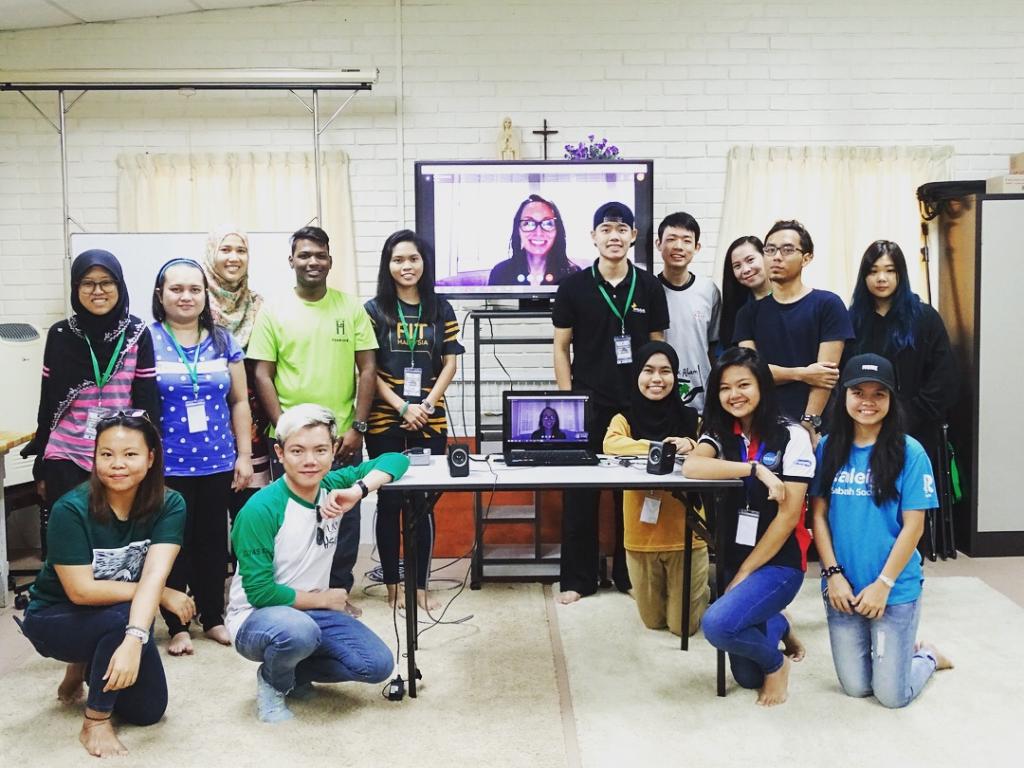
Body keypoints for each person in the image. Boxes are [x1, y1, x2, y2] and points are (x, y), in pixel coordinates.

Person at [17, 412, 191, 758]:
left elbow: (154, 574)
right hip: (55, 618)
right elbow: (81, 591)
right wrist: (160, 599)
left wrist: (136, 636)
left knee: (148, 711)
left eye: (130, 454)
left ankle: (84, 665)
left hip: (112, 614)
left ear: (151, 457)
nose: (117, 464)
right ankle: (95, 720)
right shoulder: (70, 508)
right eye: (106, 454)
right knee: (123, 617)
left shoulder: (170, 504)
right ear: (94, 457)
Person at [226, 404, 409, 723]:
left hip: (311, 614)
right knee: (299, 631)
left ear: (333, 450)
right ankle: (273, 681)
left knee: (376, 665)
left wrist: (358, 490)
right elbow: (259, 593)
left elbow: (397, 460)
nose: (310, 461)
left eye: (320, 450)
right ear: (280, 453)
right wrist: (324, 599)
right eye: (297, 450)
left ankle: (291, 671)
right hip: (256, 619)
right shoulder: (260, 510)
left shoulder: (332, 486)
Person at [811, 354, 953, 707]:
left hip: (893, 590)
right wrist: (832, 576)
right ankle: (899, 654)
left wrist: (883, 585)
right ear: (844, 396)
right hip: (843, 587)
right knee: (856, 687)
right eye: (858, 392)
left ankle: (928, 656)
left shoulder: (911, 452)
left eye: (879, 394)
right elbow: (818, 516)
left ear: (892, 400)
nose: (868, 403)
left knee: (892, 696)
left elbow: (914, 525)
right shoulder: (829, 447)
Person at [248, 226, 378, 615]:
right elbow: (261, 374)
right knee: (294, 521)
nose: (312, 261)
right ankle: (299, 595)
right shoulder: (273, 310)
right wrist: (284, 429)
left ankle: (338, 593)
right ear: (292, 261)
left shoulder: (350, 307)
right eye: (304, 255)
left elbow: (368, 369)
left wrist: (358, 426)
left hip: (341, 440)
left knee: (346, 516)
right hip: (293, 442)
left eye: (320, 255)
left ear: (330, 260)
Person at [552, 201, 670, 603]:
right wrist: (569, 401)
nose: (614, 235)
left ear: (634, 236)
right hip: (588, 404)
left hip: (637, 406)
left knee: (634, 492)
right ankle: (577, 580)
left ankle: (629, 575)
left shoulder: (650, 286)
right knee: (580, 493)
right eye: (606, 229)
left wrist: (657, 394)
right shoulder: (572, 287)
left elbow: (658, 347)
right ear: (594, 237)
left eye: (622, 228)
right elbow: (561, 347)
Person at [682, 347, 814, 706]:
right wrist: (754, 469)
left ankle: (777, 665)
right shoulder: (719, 432)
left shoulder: (792, 436)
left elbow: (788, 518)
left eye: (743, 384)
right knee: (745, 675)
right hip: (732, 555)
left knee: (718, 625)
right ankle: (778, 625)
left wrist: (745, 571)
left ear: (762, 387)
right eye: (724, 388)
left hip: (779, 563)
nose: (734, 395)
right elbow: (692, 468)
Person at [150, 257, 253, 655]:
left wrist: (243, 456)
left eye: (195, 289)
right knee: (172, 544)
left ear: (205, 295)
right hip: (166, 465)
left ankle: (212, 616)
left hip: (217, 461)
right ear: (161, 295)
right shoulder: (147, 339)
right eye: (176, 289)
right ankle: (176, 624)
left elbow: (239, 400)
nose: (186, 296)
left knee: (213, 541)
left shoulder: (224, 340)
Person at [363, 229, 464, 611]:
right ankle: (391, 583)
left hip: (430, 420)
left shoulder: (442, 308)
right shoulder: (373, 311)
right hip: (384, 419)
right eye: (398, 260)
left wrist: (425, 404)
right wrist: (403, 408)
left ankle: (419, 585)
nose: (407, 266)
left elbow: (451, 361)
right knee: (388, 502)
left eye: (413, 259)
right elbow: (368, 370)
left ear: (425, 264)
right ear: (388, 265)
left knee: (421, 503)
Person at [21, 249, 159, 513]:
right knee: (70, 540)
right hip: (67, 453)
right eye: (88, 283)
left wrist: (150, 453)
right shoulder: (61, 334)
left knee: (116, 537)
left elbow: (146, 401)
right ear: (76, 288)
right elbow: (48, 402)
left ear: (119, 285)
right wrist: (41, 462)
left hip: (120, 455)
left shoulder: (137, 333)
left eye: (107, 282)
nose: (98, 290)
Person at [603, 341, 707, 636]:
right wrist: (660, 448)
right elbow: (610, 445)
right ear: (637, 374)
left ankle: (703, 591)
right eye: (648, 370)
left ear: (675, 377)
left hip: (686, 533)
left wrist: (692, 444)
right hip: (641, 535)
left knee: (682, 628)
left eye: (665, 371)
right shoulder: (624, 418)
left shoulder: (691, 419)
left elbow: (714, 451)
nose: (656, 379)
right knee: (653, 622)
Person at [734, 220, 854, 444]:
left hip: (818, 427)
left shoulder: (828, 304)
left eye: (787, 250)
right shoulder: (748, 314)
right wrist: (802, 373)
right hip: (764, 424)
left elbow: (825, 376)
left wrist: (808, 422)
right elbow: (751, 373)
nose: (776, 256)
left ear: (806, 258)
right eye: (770, 250)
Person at [845, 239, 958, 460]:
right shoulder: (852, 320)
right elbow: (841, 379)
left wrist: (907, 416)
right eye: (873, 271)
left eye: (890, 270)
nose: (881, 278)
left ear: (901, 275)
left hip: (916, 431)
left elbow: (944, 379)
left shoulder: (925, 318)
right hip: (861, 429)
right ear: (863, 276)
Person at [201, 227, 272, 494]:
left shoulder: (258, 305)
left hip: (252, 421)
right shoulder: (195, 303)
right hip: (207, 418)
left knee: (248, 508)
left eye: (241, 251)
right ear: (211, 254)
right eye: (225, 249)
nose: (234, 257)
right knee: (209, 513)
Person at [656, 212, 720, 413]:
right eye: (671, 239)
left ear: (697, 247)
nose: (678, 247)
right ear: (658, 244)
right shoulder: (648, 289)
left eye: (686, 240)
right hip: (658, 390)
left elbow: (713, 347)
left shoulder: (708, 290)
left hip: (702, 397)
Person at [488, 194, 580, 286]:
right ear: (518, 230)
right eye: (528, 223)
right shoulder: (501, 273)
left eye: (548, 223)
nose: (538, 233)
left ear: (557, 230)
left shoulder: (573, 275)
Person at [719, 235, 770, 356]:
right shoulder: (738, 312)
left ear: (765, 256)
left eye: (750, 260)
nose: (745, 269)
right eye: (737, 266)